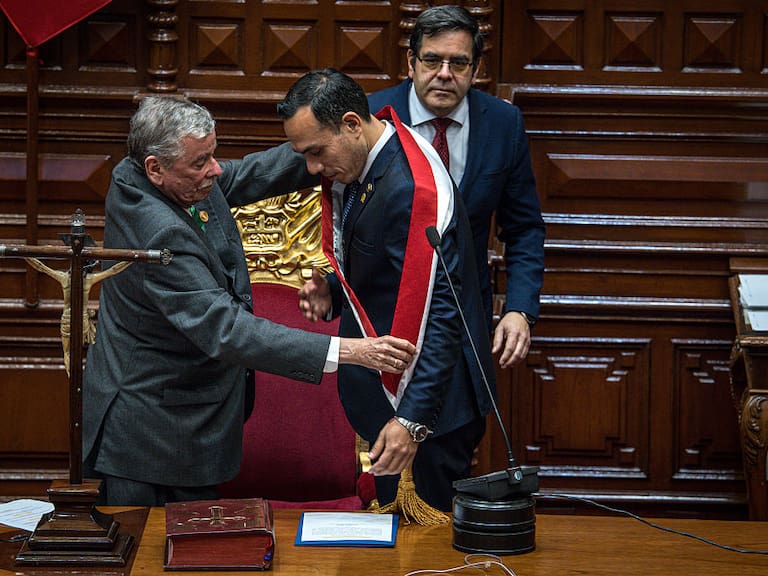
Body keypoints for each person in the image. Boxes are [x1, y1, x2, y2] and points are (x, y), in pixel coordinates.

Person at [82, 95, 416, 506]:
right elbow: (226, 328)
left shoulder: (144, 174)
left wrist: (344, 135)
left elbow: (255, 172)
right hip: (149, 439)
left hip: (179, 420)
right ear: (156, 169)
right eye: (201, 163)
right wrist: (348, 350)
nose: (216, 170)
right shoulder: (157, 233)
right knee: (151, 559)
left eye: (213, 155)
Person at [278, 69, 496, 512]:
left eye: (317, 151)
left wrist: (412, 420)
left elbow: (441, 312)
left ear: (353, 125)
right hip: (383, 402)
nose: (313, 169)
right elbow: (389, 277)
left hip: (428, 414)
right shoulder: (372, 165)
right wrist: (335, 294)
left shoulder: (414, 190)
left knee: (423, 557)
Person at [368, 5, 546, 369]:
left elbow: (524, 228)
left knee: (463, 427)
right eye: (432, 60)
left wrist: (518, 309)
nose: (444, 75)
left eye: (459, 63)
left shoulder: (502, 123)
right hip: (385, 320)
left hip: (468, 320)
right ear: (411, 62)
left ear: (476, 69)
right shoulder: (371, 116)